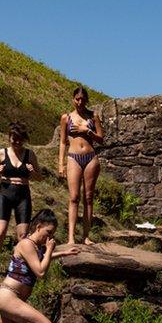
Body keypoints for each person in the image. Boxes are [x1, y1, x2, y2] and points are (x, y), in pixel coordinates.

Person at [0, 122, 38, 278]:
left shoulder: (30, 154)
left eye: (20, 139)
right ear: (9, 138)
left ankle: (17, 267)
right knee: (0, 233)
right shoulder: (2, 153)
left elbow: (40, 177)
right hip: (5, 193)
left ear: (24, 139)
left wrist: (32, 171)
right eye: (14, 139)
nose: (17, 142)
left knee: (22, 236)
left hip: (23, 195)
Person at [59, 86, 104, 245]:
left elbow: (101, 139)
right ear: (73, 100)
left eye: (83, 99)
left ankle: (86, 236)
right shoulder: (66, 117)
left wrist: (88, 131)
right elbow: (63, 142)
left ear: (87, 100)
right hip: (73, 157)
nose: (80, 102)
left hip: (91, 158)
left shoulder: (93, 116)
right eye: (77, 99)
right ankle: (71, 237)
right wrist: (60, 164)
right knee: (73, 197)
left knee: (88, 198)